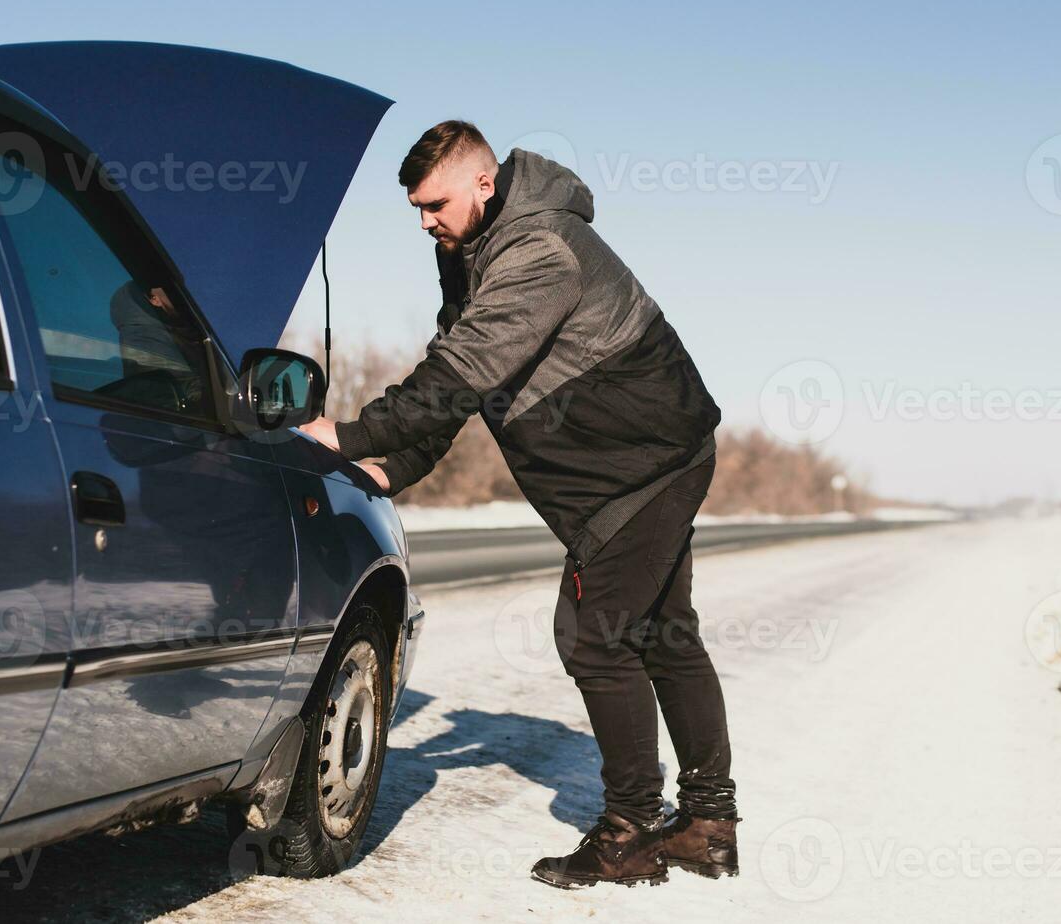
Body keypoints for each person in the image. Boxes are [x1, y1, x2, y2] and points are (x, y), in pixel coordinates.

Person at [300, 121, 739, 888]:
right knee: (665, 635)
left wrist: (343, 435)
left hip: (642, 467)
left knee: (595, 639)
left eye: (435, 204)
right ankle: (707, 826)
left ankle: (632, 832)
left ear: (483, 182)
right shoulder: (468, 256)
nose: (427, 221)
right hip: (642, 461)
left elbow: (459, 375)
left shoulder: (539, 251)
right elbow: (460, 389)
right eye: (415, 210)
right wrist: (389, 466)